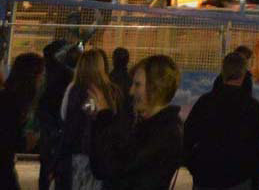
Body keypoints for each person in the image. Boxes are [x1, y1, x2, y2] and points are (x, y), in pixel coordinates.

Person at [90, 55, 182, 190]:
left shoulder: (164, 131)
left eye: (137, 84)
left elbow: (112, 167)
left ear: (155, 88)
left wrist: (104, 117)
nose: (131, 91)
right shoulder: (147, 123)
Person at [184, 52, 259, 190]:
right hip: (239, 178)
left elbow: (187, 138)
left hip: (206, 177)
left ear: (223, 72)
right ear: (244, 73)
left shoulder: (205, 102)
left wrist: (195, 167)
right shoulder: (252, 107)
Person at [59, 49, 119, 190]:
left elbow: (65, 117)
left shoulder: (74, 89)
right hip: (100, 153)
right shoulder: (112, 90)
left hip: (78, 151)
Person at [0, 53, 45, 190]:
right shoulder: (11, 103)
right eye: (41, 75)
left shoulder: (9, 98)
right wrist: (26, 142)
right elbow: (8, 140)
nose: (42, 80)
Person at [38, 41, 74, 190]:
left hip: (46, 119)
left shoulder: (45, 70)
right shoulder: (66, 73)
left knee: (46, 160)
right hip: (58, 121)